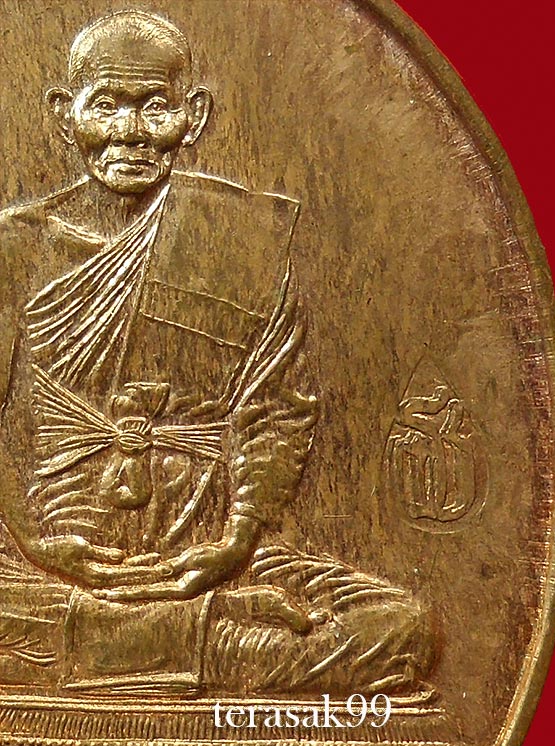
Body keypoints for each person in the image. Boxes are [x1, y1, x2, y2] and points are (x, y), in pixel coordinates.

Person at [0, 10, 435, 696]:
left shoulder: (244, 240)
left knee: (401, 626)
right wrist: (33, 539)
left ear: (193, 116)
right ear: (63, 114)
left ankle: (148, 637)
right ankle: (193, 638)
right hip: (49, 555)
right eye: (105, 105)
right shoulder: (16, 246)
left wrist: (235, 540)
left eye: (155, 107)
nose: (130, 131)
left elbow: (277, 410)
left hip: (206, 551)